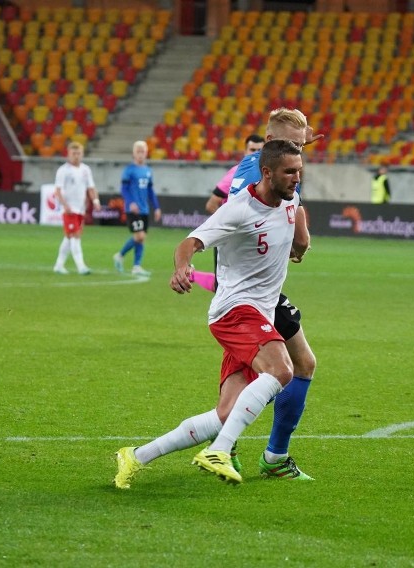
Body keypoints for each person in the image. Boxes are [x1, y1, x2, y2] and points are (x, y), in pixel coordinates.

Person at [114, 139, 305, 488]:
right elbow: (189, 243)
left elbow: (297, 222)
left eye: (299, 170)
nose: (297, 177)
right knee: (282, 370)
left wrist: (301, 243)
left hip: (258, 314)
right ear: (267, 172)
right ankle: (220, 449)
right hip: (235, 311)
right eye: (290, 171)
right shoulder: (239, 209)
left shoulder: (290, 200)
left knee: (226, 413)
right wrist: (182, 268)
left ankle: (136, 455)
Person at [223, 108, 319, 481]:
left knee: (264, 370)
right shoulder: (255, 174)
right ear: (268, 146)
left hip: (256, 287)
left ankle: (244, 446)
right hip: (248, 290)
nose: (297, 154)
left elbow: (288, 208)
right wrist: (295, 238)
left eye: (300, 146)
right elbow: (239, 220)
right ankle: (265, 453)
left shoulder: (270, 161)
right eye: (290, 146)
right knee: (287, 367)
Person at [191, 133, 265, 292]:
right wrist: (229, 228)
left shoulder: (267, 175)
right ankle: (192, 275)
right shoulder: (236, 172)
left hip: (255, 238)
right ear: (245, 151)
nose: (256, 153)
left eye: (260, 150)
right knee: (225, 288)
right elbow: (212, 204)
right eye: (252, 149)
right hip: (232, 238)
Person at [112, 140, 161, 276]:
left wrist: (156, 207)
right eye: (138, 151)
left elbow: (150, 191)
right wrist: (130, 202)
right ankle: (120, 255)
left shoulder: (148, 170)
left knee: (141, 238)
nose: (140, 154)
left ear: (146, 153)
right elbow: (124, 189)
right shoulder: (129, 170)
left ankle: (136, 266)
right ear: (134, 153)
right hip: (133, 209)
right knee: (139, 236)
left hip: (144, 209)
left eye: (143, 151)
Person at [52, 142, 100, 275]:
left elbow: (91, 187)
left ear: (82, 154)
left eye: (78, 153)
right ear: (68, 154)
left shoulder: (86, 170)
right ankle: (81, 267)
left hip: (80, 209)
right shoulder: (63, 170)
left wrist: (95, 200)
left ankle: (58, 265)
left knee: (68, 237)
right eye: (74, 153)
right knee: (75, 235)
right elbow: (57, 191)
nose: (76, 156)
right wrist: (65, 205)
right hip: (69, 209)